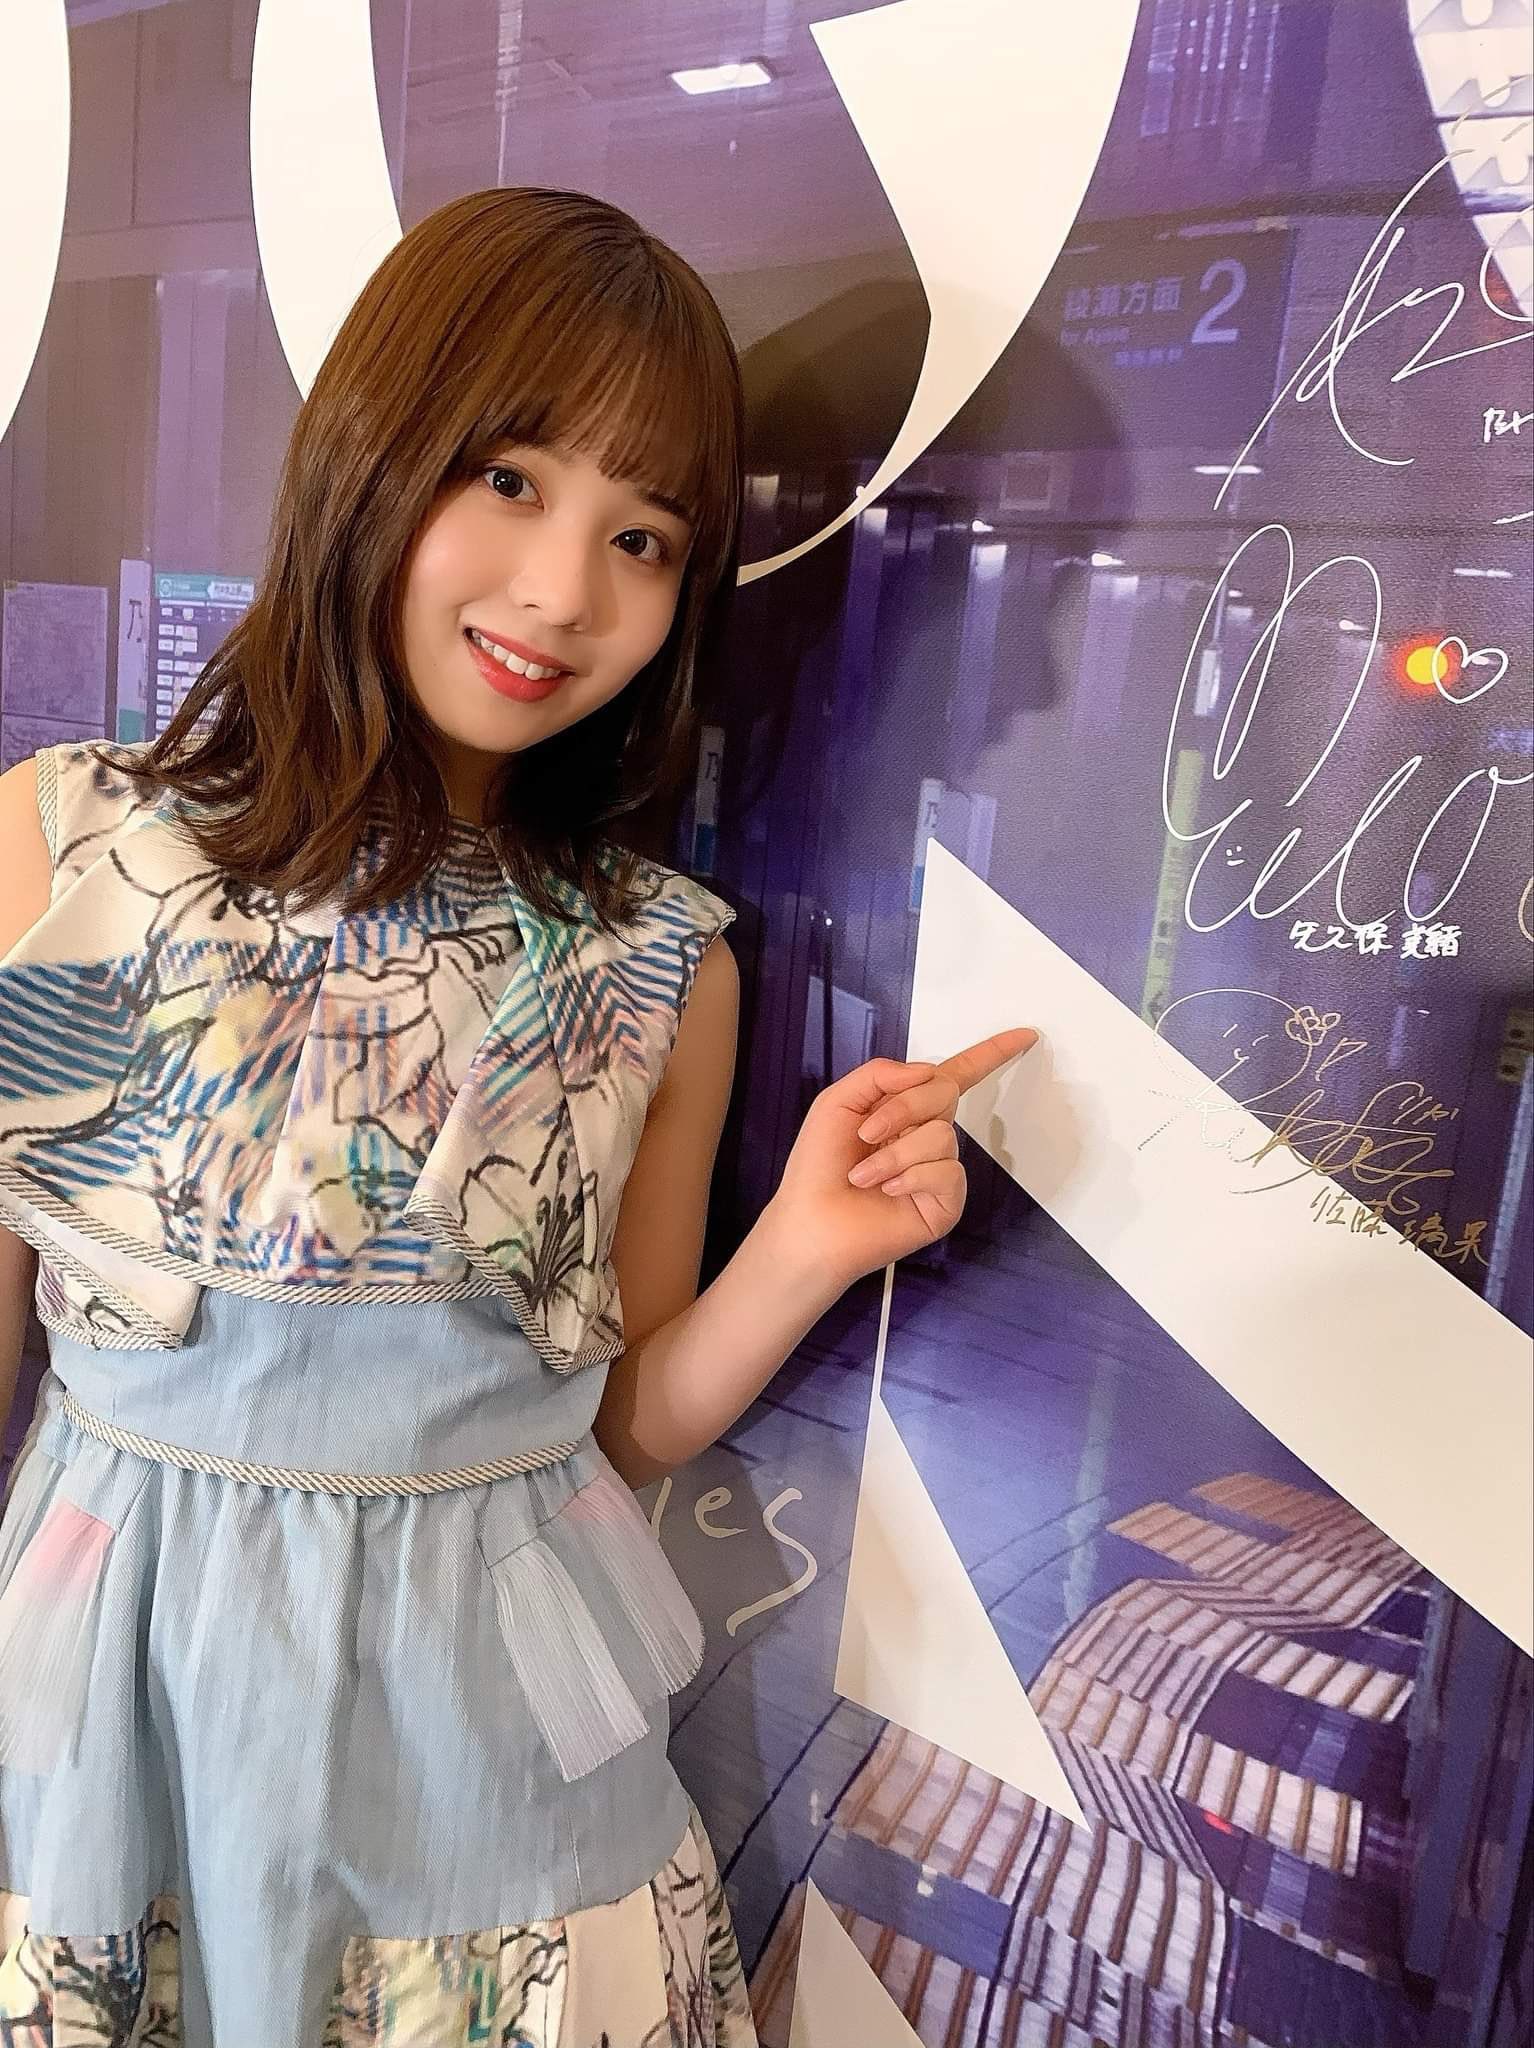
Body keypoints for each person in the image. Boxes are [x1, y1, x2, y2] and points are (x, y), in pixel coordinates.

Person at [0, 186, 1035, 2045]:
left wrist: (804, 1246)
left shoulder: (655, 963)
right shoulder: (67, 846)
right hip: (118, 1682)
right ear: (368, 452)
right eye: (506, 480)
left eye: (642, 537)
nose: (564, 591)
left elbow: (616, 1423)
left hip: (488, 1725)